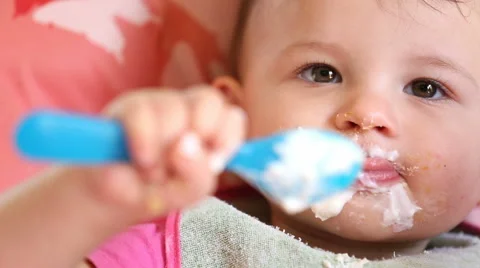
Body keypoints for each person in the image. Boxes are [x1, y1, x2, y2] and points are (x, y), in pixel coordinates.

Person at [3, 0, 480, 267]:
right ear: (239, 111)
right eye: (322, 73)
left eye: (427, 88)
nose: (366, 113)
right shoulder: (181, 246)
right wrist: (92, 196)